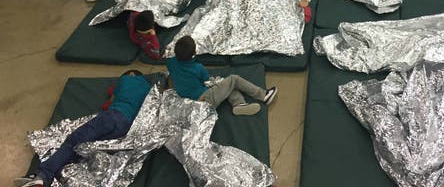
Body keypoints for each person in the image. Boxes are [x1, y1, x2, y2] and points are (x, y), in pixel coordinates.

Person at [14, 70, 151, 187]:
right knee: (85, 150)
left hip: (111, 117)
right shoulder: (148, 88)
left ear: (131, 74)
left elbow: (109, 100)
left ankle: (42, 176)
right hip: (125, 129)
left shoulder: (127, 79)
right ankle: (53, 176)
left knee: (72, 143)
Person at [167, 36, 278, 116]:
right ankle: (264, 95)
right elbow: (207, 81)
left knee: (228, 86)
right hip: (204, 100)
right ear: (193, 54)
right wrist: (216, 82)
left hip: (188, 101)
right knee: (234, 79)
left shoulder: (170, 62)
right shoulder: (198, 68)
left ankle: (239, 104)